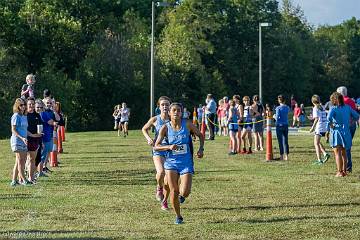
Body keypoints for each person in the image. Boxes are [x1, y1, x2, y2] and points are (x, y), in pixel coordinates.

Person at [154, 103, 204, 224]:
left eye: (179, 111)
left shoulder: (187, 124)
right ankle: (178, 216)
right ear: (169, 113)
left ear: (182, 113)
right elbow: (156, 146)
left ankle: (182, 196)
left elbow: (200, 135)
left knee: (185, 192)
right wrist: (169, 147)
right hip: (171, 163)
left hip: (186, 163)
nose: (176, 112)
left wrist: (201, 149)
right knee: (174, 191)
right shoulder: (165, 128)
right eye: (174, 110)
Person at [142, 96, 172, 210]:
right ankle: (159, 188)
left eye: (167, 104)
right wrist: (148, 139)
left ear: (170, 106)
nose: (165, 106)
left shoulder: (173, 119)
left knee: (169, 180)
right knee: (161, 172)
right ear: (159, 107)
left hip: (171, 150)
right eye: (163, 104)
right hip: (158, 149)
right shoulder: (155, 119)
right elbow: (144, 129)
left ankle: (164, 202)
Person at [327, 92, 359, 177]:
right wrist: (351, 122)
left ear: (333, 100)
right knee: (344, 153)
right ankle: (345, 171)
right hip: (346, 132)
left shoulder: (333, 108)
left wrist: (331, 126)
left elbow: (328, 119)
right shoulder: (348, 107)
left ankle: (339, 172)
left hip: (337, 132)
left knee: (337, 153)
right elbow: (356, 116)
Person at [10, 98, 31, 186]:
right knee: (20, 161)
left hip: (24, 141)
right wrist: (22, 138)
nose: (23, 106)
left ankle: (14, 181)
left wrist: (33, 135)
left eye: (24, 105)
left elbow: (25, 129)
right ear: (17, 106)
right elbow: (13, 130)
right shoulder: (16, 116)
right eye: (21, 105)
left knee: (20, 161)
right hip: (17, 141)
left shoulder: (24, 116)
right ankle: (24, 180)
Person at [337, 86, 357, 173]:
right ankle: (347, 166)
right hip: (353, 125)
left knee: (344, 147)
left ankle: (347, 167)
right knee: (346, 146)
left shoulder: (342, 101)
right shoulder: (352, 101)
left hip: (346, 126)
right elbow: (355, 114)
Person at [38, 97, 60, 177]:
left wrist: (54, 110)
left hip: (49, 135)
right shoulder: (43, 113)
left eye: (50, 103)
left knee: (47, 152)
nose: (49, 104)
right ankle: (38, 171)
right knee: (42, 155)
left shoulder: (51, 111)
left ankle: (42, 168)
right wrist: (54, 123)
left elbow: (59, 119)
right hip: (44, 136)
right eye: (47, 103)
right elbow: (50, 122)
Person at [309, 95, 330, 165]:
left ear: (312, 101)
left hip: (319, 127)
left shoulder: (315, 108)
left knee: (316, 143)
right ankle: (325, 153)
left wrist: (312, 128)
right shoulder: (322, 106)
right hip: (324, 126)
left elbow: (317, 119)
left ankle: (319, 160)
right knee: (317, 142)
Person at [26, 97, 43, 182]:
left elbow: (40, 126)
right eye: (30, 104)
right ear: (27, 105)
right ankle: (24, 178)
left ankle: (31, 177)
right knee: (28, 159)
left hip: (36, 139)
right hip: (26, 139)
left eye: (33, 104)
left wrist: (40, 137)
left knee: (34, 159)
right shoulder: (25, 115)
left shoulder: (37, 115)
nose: (31, 106)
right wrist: (32, 135)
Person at [275, 95, 290, 160]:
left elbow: (277, 117)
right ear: (284, 100)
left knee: (280, 141)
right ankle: (286, 156)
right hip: (286, 125)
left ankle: (281, 156)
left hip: (279, 125)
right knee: (285, 141)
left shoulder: (278, 108)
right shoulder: (287, 107)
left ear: (279, 101)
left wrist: (274, 117)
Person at [34, 99, 44, 170]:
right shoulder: (31, 115)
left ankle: (32, 175)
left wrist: (41, 142)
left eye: (40, 107)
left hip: (39, 139)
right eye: (37, 107)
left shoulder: (39, 116)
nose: (39, 109)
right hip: (32, 139)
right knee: (32, 159)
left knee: (37, 159)